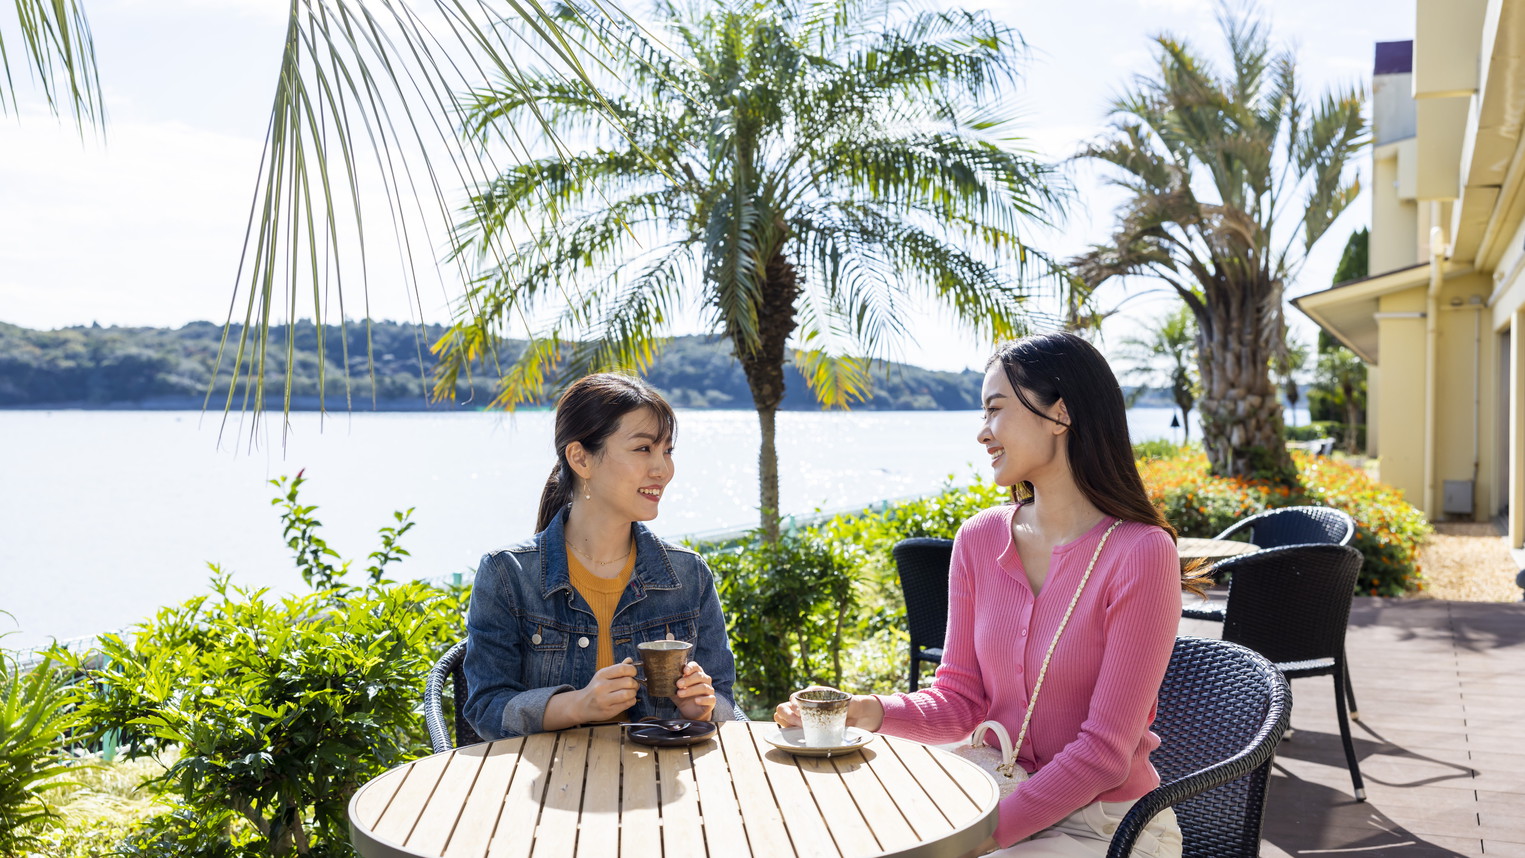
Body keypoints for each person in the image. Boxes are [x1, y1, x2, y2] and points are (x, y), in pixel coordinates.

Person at [775, 332, 1205, 858]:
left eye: (995, 410)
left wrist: (976, 838)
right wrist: (863, 711)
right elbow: (960, 701)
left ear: (1060, 415)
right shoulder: (979, 539)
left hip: (1103, 826)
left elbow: (1104, 755)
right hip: (989, 791)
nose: (983, 433)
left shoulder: (1141, 553)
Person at [464, 373, 738, 739]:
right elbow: (486, 710)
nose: (663, 469)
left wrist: (703, 708)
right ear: (581, 458)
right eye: (643, 449)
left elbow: (727, 706)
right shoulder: (507, 575)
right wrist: (578, 705)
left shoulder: (688, 575)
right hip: (550, 788)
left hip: (660, 787)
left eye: (667, 450)